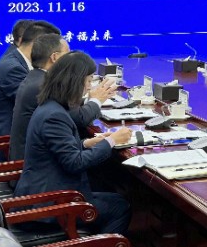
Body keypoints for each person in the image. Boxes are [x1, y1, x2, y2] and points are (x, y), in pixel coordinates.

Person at [14, 51, 133, 235]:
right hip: (46, 207)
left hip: (47, 191)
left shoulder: (51, 105)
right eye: (88, 81)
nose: (89, 87)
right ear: (75, 82)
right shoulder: (54, 115)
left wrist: (87, 143)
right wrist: (112, 140)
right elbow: (74, 163)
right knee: (120, 208)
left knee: (115, 198)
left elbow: (58, 149)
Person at [9, 34, 119, 161]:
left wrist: (90, 99)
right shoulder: (43, 85)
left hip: (40, 152)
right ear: (54, 57)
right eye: (67, 53)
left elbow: (66, 106)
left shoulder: (37, 77)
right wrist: (96, 100)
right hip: (35, 161)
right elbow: (78, 118)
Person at [0, 23, 60, 143]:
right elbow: (41, 103)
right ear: (37, 44)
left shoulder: (16, 60)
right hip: (3, 143)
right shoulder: (13, 69)